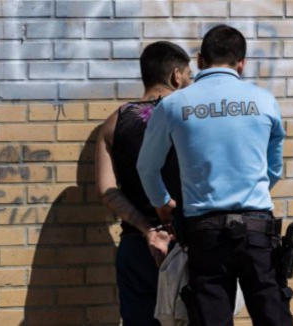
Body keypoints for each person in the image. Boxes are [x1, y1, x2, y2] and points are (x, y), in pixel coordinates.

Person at [136, 25, 293, 326]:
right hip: (257, 230)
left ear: (199, 60)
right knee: (272, 314)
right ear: (242, 62)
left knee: (210, 318)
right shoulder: (265, 101)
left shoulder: (172, 105)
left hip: (205, 233)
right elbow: (274, 169)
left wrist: (163, 203)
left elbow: (147, 167)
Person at [95, 41, 192, 325]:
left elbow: (106, 190)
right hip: (188, 245)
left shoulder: (115, 121)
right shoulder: (192, 116)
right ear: (176, 75)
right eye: (188, 76)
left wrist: (148, 230)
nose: (189, 82)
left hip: (138, 247)